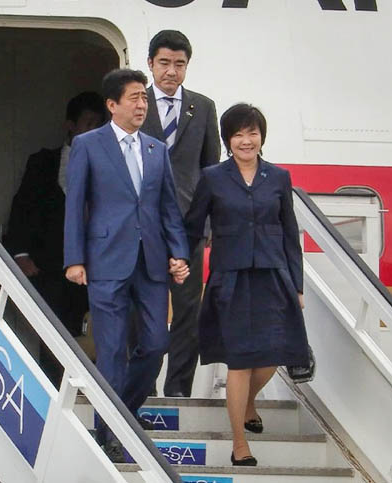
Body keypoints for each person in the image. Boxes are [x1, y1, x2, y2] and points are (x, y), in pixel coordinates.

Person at [63, 68, 190, 462]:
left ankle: (124, 414)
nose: (141, 104)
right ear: (112, 104)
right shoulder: (88, 145)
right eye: (134, 97)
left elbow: (168, 207)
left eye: (144, 98)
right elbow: (76, 204)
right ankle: (111, 430)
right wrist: (74, 259)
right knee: (113, 349)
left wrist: (179, 253)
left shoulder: (156, 149)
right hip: (105, 260)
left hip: (151, 261)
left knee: (155, 344)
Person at [185, 103, 310, 466]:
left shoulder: (279, 178)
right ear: (227, 139)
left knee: (274, 354)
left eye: (252, 132)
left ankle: (250, 402)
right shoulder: (213, 178)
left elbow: (290, 234)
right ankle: (240, 443)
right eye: (238, 133)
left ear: (262, 137)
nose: (246, 140)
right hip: (231, 277)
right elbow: (193, 225)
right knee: (239, 361)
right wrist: (178, 259)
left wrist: (297, 285)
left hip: (272, 274)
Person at [140, 30, 221, 398]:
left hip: (188, 228)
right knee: (141, 307)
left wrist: (208, 225)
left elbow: (211, 170)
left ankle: (177, 391)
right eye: (164, 63)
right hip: (143, 226)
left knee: (188, 312)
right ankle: (140, 387)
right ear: (150, 64)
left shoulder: (203, 107)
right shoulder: (135, 104)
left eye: (179, 64)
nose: (171, 72)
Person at [5, 92, 106, 386]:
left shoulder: (109, 164)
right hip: (48, 263)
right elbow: (22, 208)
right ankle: (50, 391)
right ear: (70, 125)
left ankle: (90, 391)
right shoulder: (42, 162)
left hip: (94, 265)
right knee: (52, 331)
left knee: (92, 331)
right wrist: (21, 254)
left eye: (99, 125)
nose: (92, 130)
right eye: (88, 123)